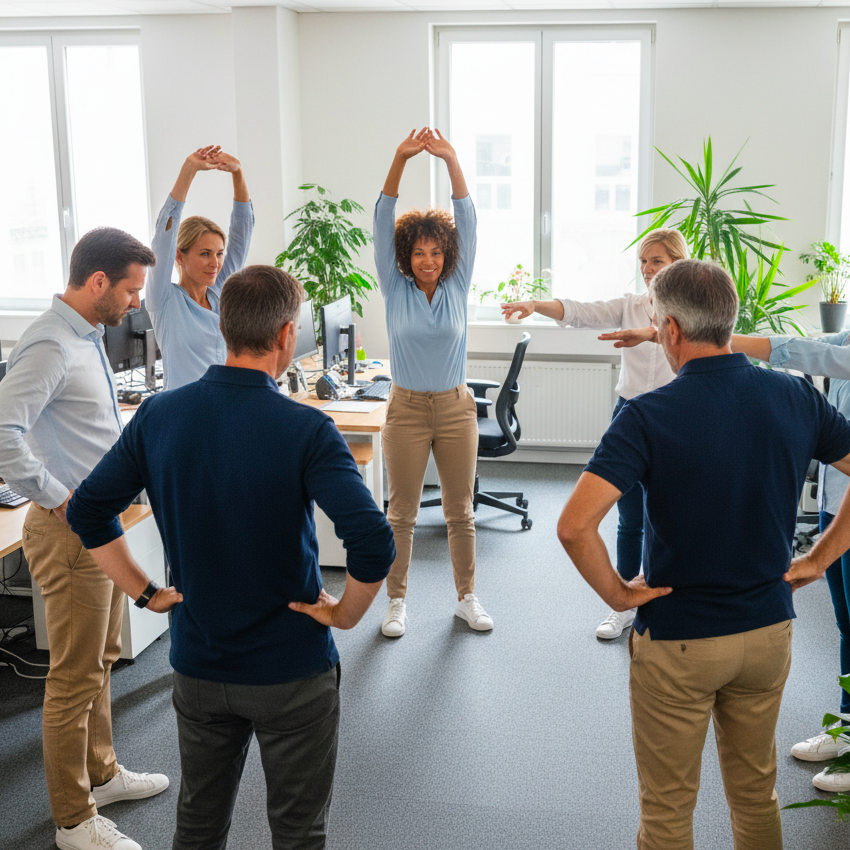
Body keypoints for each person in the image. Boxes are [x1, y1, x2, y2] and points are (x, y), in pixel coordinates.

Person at [66, 264, 396, 850]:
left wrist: (145, 592)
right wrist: (345, 615)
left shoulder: (158, 415)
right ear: (287, 336)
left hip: (199, 664)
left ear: (223, 326)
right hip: (291, 669)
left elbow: (88, 511)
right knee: (298, 833)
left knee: (198, 824)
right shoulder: (307, 429)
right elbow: (373, 539)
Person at [558, 258, 850, 850]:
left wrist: (619, 595)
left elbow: (574, 527)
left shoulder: (647, 414)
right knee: (756, 794)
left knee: (667, 812)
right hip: (769, 632)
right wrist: (819, 558)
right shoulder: (794, 396)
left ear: (669, 330)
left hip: (681, 640)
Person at [0, 228, 168, 850]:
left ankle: (102, 772)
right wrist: (60, 497)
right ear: (98, 282)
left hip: (97, 526)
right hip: (71, 532)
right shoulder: (49, 344)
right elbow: (2, 433)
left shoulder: (85, 336)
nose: (133, 303)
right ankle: (73, 819)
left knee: (100, 659)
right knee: (72, 678)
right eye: (129, 290)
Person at [502, 229, 689, 640]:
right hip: (631, 413)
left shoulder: (694, 309)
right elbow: (581, 311)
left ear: (677, 262)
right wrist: (535, 304)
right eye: (643, 261)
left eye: (656, 260)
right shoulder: (631, 306)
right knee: (629, 515)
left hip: (678, 418)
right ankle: (622, 600)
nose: (647, 269)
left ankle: (666, 597)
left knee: (673, 515)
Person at [373, 127, 490, 638]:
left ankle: (467, 597)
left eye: (436, 253)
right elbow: (380, 218)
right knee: (401, 514)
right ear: (406, 256)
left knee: (459, 511)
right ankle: (396, 601)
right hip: (405, 410)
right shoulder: (394, 287)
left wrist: (451, 161)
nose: (428, 261)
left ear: (447, 256)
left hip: (455, 406)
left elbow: (468, 218)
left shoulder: (457, 287)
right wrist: (400, 157)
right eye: (419, 253)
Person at [725, 330, 850, 793]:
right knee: (847, 624)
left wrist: (721, 336)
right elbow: (806, 339)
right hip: (836, 504)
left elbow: (816, 355)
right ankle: (847, 728)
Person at [147, 145, 254, 390]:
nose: (215, 263)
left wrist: (238, 173)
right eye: (205, 254)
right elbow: (164, 234)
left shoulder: (219, 293)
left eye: (218, 254)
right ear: (179, 256)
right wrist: (189, 169)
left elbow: (242, 233)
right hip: (186, 416)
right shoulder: (164, 299)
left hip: (224, 409)